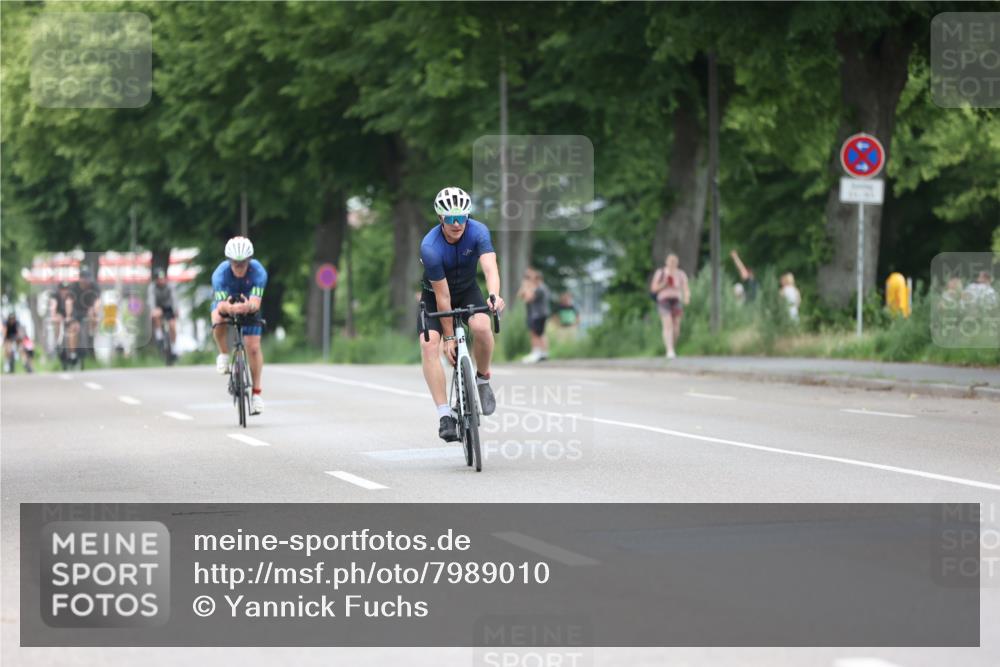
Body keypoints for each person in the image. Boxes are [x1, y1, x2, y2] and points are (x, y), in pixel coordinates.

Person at [418, 186, 504, 442]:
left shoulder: (478, 231)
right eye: (451, 219)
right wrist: (448, 338)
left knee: (481, 327)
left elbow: (490, 268)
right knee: (428, 344)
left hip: (467, 291)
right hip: (435, 296)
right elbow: (443, 297)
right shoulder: (430, 247)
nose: (457, 224)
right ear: (440, 218)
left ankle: (483, 378)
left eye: (462, 217)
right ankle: (445, 415)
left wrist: (494, 295)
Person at [210, 236, 268, 415]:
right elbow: (220, 305)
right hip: (226, 304)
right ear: (229, 261)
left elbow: (256, 302)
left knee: (253, 348)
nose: (239, 267)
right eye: (235, 263)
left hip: (249, 307)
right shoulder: (220, 274)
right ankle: (223, 354)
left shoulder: (259, 272)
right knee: (218, 319)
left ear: (249, 261)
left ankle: (257, 394)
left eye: (243, 263)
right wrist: (230, 307)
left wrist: (247, 306)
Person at [650, 253, 690, 359]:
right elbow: (653, 288)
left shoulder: (681, 274)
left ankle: (672, 346)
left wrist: (686, 297)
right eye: (670, 262)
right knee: (667, 324)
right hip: (663, 300)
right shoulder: (661, 273)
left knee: (676, 326)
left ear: (677, 263)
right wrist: (664, 284)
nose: (672, 264)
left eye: (674, 262)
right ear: (667, 262)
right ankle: (669, 350)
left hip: (676, 300)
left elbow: (685, 288)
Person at [518, 268, 550, 363]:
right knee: (540, 333)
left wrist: (527, 286)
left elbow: (528, 298)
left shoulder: (540, 288)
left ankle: (537, 352)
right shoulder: (540, 287)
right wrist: (525, 286)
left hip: (538, 314)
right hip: (538, 314)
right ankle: (543, 353)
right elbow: (520, 295)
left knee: (536, 334)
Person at [150, 267, 178, 350]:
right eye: (159, 279)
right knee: (156, 314)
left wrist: (176, 309)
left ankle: (174, 345)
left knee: (172, 325)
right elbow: (151, 300)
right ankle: (159, 334)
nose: (161, 281)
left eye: (162, 279)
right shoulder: (152, 287)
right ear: (156, 280)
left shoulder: (170, 286)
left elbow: (174, 298)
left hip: (169, 308)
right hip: (159, 308)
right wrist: (153, 310)